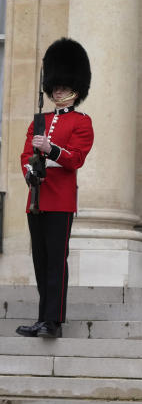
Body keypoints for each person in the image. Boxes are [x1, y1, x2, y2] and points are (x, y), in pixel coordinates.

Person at [16, 39, 94, 339]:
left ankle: (54, 319)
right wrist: (30, 170)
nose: (58, 91)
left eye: (63, 87)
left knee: (56, 261)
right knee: (40, 259)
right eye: (55, 87)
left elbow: (75, 159)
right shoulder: (40, 120)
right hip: (36, 198)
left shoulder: (81, 122)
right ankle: (42, 317)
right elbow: (25, 154)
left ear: (75, 88)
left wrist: (50, 150)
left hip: (60, 201)